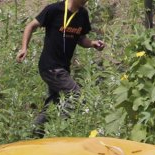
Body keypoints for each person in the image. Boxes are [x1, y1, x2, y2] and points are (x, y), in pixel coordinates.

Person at [16, 0, 105, 136]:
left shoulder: (83, 14)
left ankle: (33, 134)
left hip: (63, 68)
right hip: (50, 66)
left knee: (54, 103)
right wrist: (24, 48)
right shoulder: (54, 10)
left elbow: (81, 38)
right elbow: (31, 26)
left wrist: (92, 43)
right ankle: (61, 131)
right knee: (75, 95)